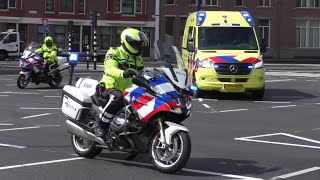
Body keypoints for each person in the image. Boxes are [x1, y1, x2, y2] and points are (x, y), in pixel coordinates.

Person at [94, 28, 148, 138]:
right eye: (136, 44)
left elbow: (143, 72)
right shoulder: (114, 52)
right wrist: (123, 73)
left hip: (128, 91)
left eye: (140, 44)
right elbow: (109, 69)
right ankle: (100, 126)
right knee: (117, 98)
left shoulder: (138, 58)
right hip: (109, 87)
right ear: (127, 43)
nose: (139, 47)